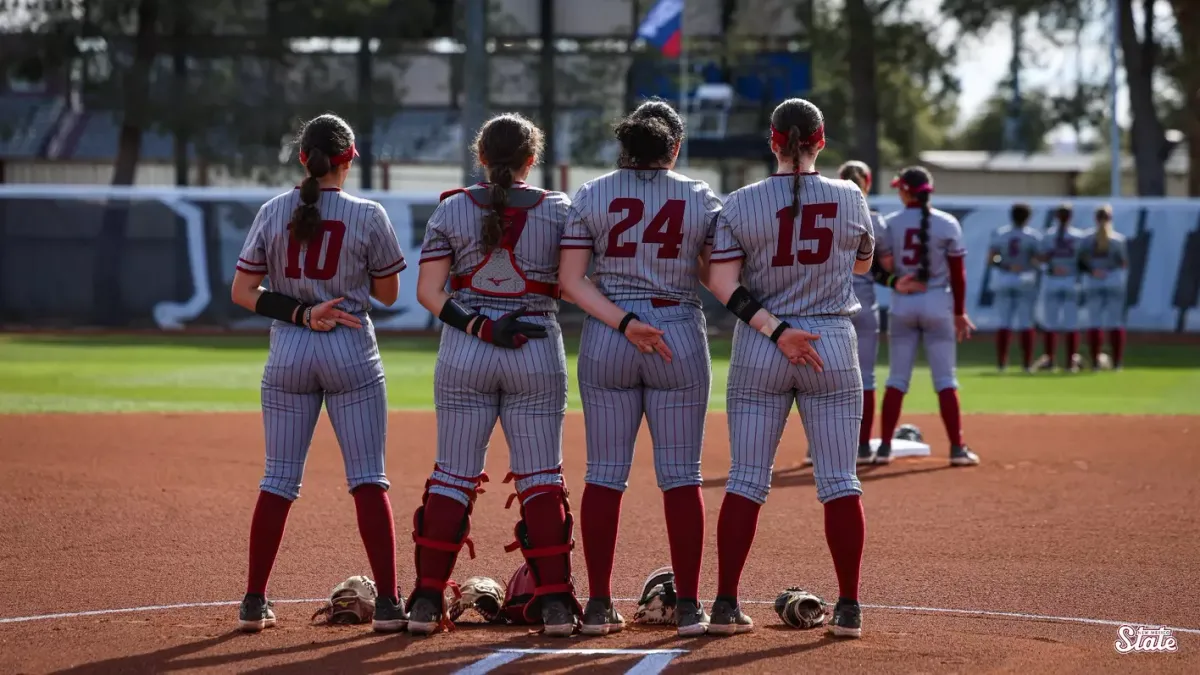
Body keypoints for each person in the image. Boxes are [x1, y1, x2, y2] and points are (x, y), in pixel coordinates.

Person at [230, 113, 408, 633]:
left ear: (303, 158)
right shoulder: (368, 213)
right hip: (350, 348)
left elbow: (244, 293)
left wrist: (304, 312)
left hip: (288, 350)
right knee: (368, 480)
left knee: (278, 479)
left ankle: (253, 601)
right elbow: (389, 293)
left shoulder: (272, 210)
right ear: (349, 159)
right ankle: (392, 604)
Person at [705, 97, 873, 639]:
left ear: (774, 142)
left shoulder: (741, 201)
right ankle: (848, 608)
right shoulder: (851, 195)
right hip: (831, 339)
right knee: (840, 481)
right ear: (820, 141)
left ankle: (727, 603)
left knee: (747, 479)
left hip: (762, 342)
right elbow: (864, 263)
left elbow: (723, 285)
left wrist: (777, 329)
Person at [410, 113, 579, 637]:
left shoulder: (452, 208)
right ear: (533, 158)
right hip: (535, 346)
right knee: (541, 478)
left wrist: (481, 326)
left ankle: (424, 601)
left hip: (465, 349)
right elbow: (575, 284)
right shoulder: (560, 210)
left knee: (453, 475)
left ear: (480, 156)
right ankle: (554, 604)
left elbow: (429, 294)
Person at [558, 100, 721, 637]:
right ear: (674, 147)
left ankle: (600, 604)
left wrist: (625, 322)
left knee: (604, 474)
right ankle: (692, 606)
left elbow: (573, 282)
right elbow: (713, 275)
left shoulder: (592, 193)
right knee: (682, 475)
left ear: (624, 145)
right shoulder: (698, 196)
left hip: (610, 331)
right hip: (676, 330)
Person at [821, 161, 925, 467]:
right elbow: (886, 268)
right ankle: (863, 445)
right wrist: (894, 282)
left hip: (828, 305)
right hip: (863, 303)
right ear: (867, 183)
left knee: (822, 380)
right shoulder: (876, 220)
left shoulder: (824, 213)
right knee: (864, 377)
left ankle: (823, 448)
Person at [875, 167, 979, 467]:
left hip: (903, 302)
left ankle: (883, 448)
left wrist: (896, 282)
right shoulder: (947, 224)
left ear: (906, 192)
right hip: (938, 302)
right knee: (946, 380)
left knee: (896, 379)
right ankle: (957, 449)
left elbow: (881, 268)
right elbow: (958, 275)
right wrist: (960, 312)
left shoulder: (889, 223)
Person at [988, 203, 1043, 372]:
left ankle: (1002, 364)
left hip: (1005, 278)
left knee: (1004, 322)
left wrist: (1005, 265)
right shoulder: (1033, 237)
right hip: (1025, 279)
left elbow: (993, 259)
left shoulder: (1001, 234)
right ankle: (1026, 364)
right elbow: (1037, 260)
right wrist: (1026, 264)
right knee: (1026, 322)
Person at [1035, 203, 1087, 372]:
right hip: (1071, 279)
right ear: (1071, 216)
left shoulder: (1048, 235)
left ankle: (1050, 360)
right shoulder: (1078, 236)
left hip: (1053, 278)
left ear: (1057, 216)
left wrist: (1052, 265)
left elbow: (1040, 258)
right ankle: (1070, 362)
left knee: (1051, 322)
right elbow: (1084, 260)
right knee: (1071, 322)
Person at [1080, 204, 1128, 370]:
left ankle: (1095, 362)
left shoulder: (1087, 238)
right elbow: (1122, 262)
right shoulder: (1118, 239)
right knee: (1115, 323)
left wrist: (1094, 270)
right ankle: (1117, 363)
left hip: (1094, 280)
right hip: (1113, 280)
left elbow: (1082, 261)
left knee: (1095, 322)